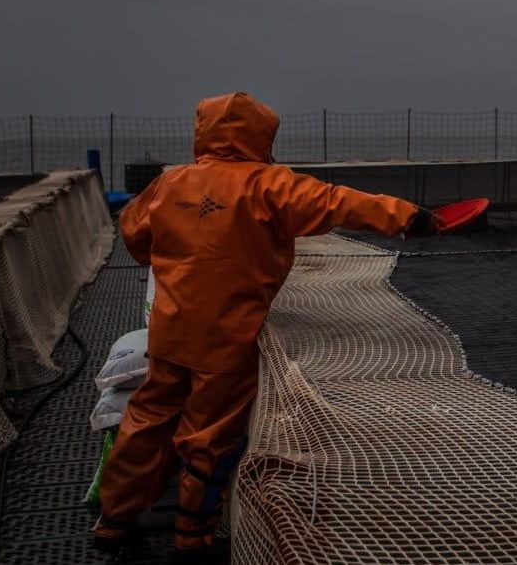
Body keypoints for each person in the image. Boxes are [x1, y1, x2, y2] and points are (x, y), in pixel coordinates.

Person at [92, 92, 437, 562]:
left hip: (172, 333)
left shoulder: (168, 183)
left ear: (203, 132)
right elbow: (339, 203)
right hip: (227, 341)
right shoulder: (270, 184)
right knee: (207, 437)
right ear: (261, 135)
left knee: (146, 421)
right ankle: (191, 538)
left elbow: (135, 235)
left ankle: (112, 522)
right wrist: (410, 217)